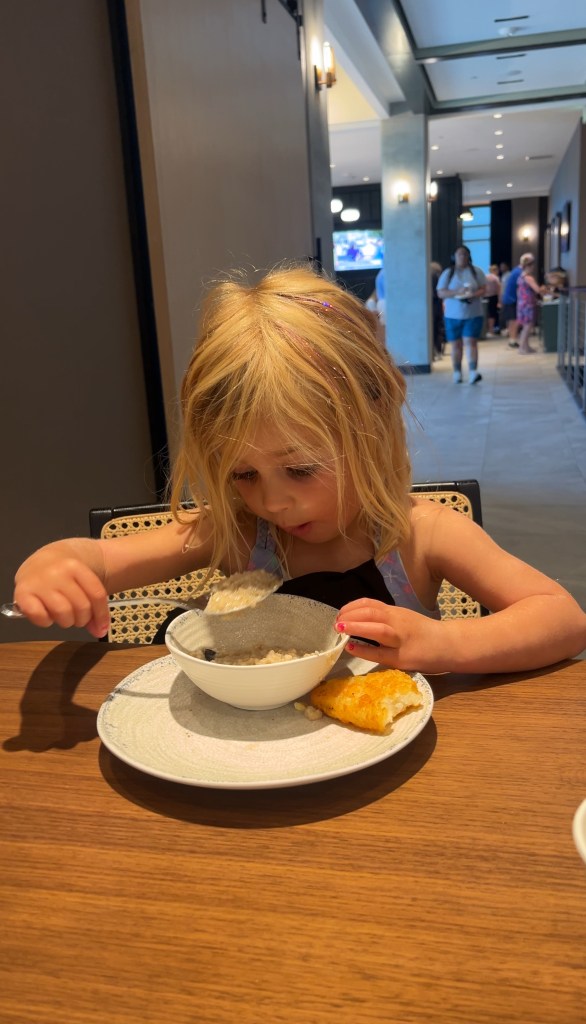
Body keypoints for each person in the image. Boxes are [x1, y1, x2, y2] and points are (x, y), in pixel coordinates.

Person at [12, 265, 586, 674]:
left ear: (373, 426)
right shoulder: (238, 531)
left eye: (301, 470)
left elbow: (562, 619)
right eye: (243, 475)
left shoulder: (421, 534)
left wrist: (443, 644)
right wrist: (58, 564)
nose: (272, 504)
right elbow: (101, 560)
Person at [436, 246, 486, 384]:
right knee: (456, 345)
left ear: (469, 256)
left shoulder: (477, 272)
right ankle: (457, 372)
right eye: (459, 254)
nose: (462, 257)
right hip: (453, 315)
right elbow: (440, 292)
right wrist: (457, 292)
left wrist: (473, 294)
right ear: (454, 256)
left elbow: (484, 288)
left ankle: (473, 372)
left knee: (471, 342)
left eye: (465, 254)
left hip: (473, 313)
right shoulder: (448, 273)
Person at [516, 253, 546, 354]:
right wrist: (544, 288)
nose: (533, 267)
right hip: (528, 304)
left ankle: (526, 347)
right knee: (528, 326)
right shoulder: (528, 277)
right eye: (532, 265)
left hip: (522, 304)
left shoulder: (521, 276)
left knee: (526, 326)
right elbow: (537, 290)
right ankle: (522, 348)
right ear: (528, 266)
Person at [501, 259, 523, 347]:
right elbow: (519, 287)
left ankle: (512, 339)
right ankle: (513, 339)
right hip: (512, 299)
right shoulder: (519, 273)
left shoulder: (514, 271)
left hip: (508, 298)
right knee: (514, 320)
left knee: (511, 320)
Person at [430, 261, 445, 360]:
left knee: (433, 330)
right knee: (438, 330)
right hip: (437, 306)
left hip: (432, 306)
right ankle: (438, 351)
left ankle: (434, 353)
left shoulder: (429, 275)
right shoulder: (437, 276)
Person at [484, 264, 501, 336]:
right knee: (492, 314)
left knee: (487, 314)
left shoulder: (485, 277)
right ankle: (491, 331)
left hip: (484, 297)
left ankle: (486, 330)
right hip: (493, 297)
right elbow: (499, 290)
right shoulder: (495, 278)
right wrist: (500, 301)